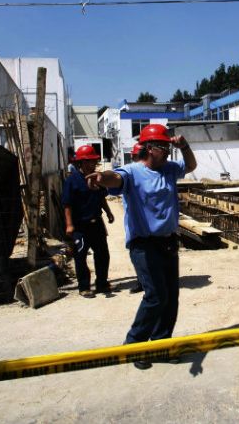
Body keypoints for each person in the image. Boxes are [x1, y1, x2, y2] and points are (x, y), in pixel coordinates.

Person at [87, 124, 197, 369]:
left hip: (168, 242)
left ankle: (160, 345)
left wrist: (185, 146)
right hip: (143, 244)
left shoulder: (169, 169)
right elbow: (115, 177)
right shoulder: (133, 171)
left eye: (169, 146)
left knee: (170, 298)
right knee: (155, 296)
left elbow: (190, 166)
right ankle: (134, 345)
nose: (168, 151)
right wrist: (101, 177)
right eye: (163, 146)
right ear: (149, 148)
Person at [62, 144, 116, 298]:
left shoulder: (98, 178)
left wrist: (109, 213)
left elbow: (101, 198)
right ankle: (84, 286)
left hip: (96, 223)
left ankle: (102, 283)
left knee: (102, 254)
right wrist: (69, 225)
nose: (91, 164)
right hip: (80, 226)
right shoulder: (72, 180)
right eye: (87, 161)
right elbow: (67, 204)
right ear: (81, 163)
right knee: (81, 256)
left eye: (93, 161)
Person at [128, 142, 144, 294]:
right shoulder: (130, 171)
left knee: (138, 253)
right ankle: (142, 281)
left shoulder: (134, 171)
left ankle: (144, 282)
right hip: (135, 219)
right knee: (138, 253)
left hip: (139, 221)